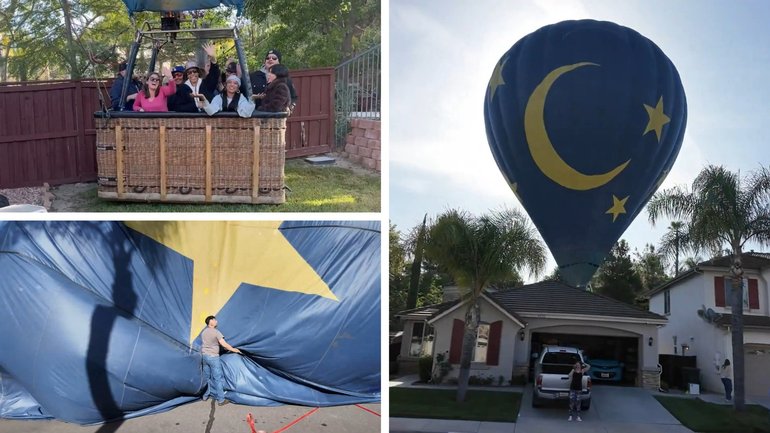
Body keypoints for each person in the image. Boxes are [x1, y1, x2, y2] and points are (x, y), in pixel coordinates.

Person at [201, 315, 242, 406]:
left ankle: (205, 396)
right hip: (213, 357)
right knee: (217, 379)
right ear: (210, 322)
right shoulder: (216, 332)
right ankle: (221, 400)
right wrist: (235, 350)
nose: (216, 321)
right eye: (214, 320)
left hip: (204, 356)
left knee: (206, 377)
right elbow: (224, 344)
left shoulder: (203, 332)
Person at [170, 43, 222, 112]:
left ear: (198, 72)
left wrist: (213, 60)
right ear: (187, 75)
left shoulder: (206, 84)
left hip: (208, 119)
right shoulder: (183, 89)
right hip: (191, 121)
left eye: (194, 71)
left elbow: (214, 75)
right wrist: (196, 105)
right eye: (189, 72)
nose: (192, 74)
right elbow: (178, 107)